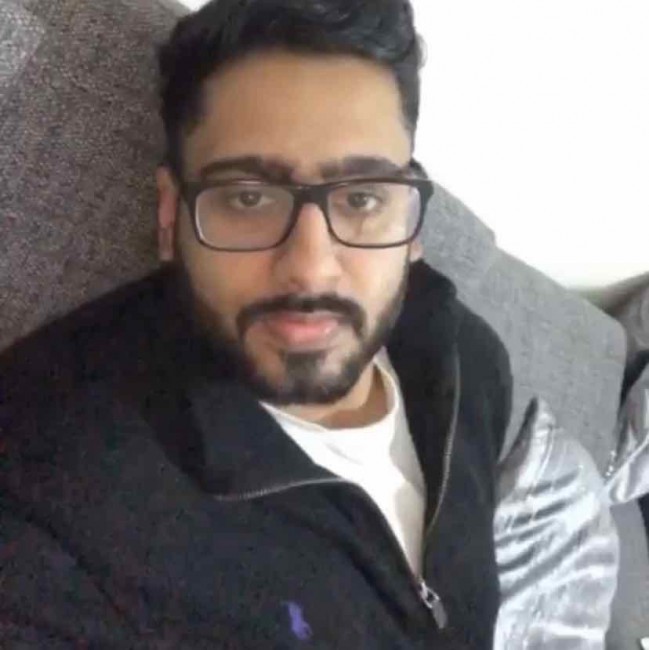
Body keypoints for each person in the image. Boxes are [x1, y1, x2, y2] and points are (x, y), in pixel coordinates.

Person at [0, 0, 512, 647]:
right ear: (170, 215)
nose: (310, 269)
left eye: (361, 198)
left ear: (410, 221)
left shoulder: (471, 362)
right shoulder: (50, 488)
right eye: (248, 198)